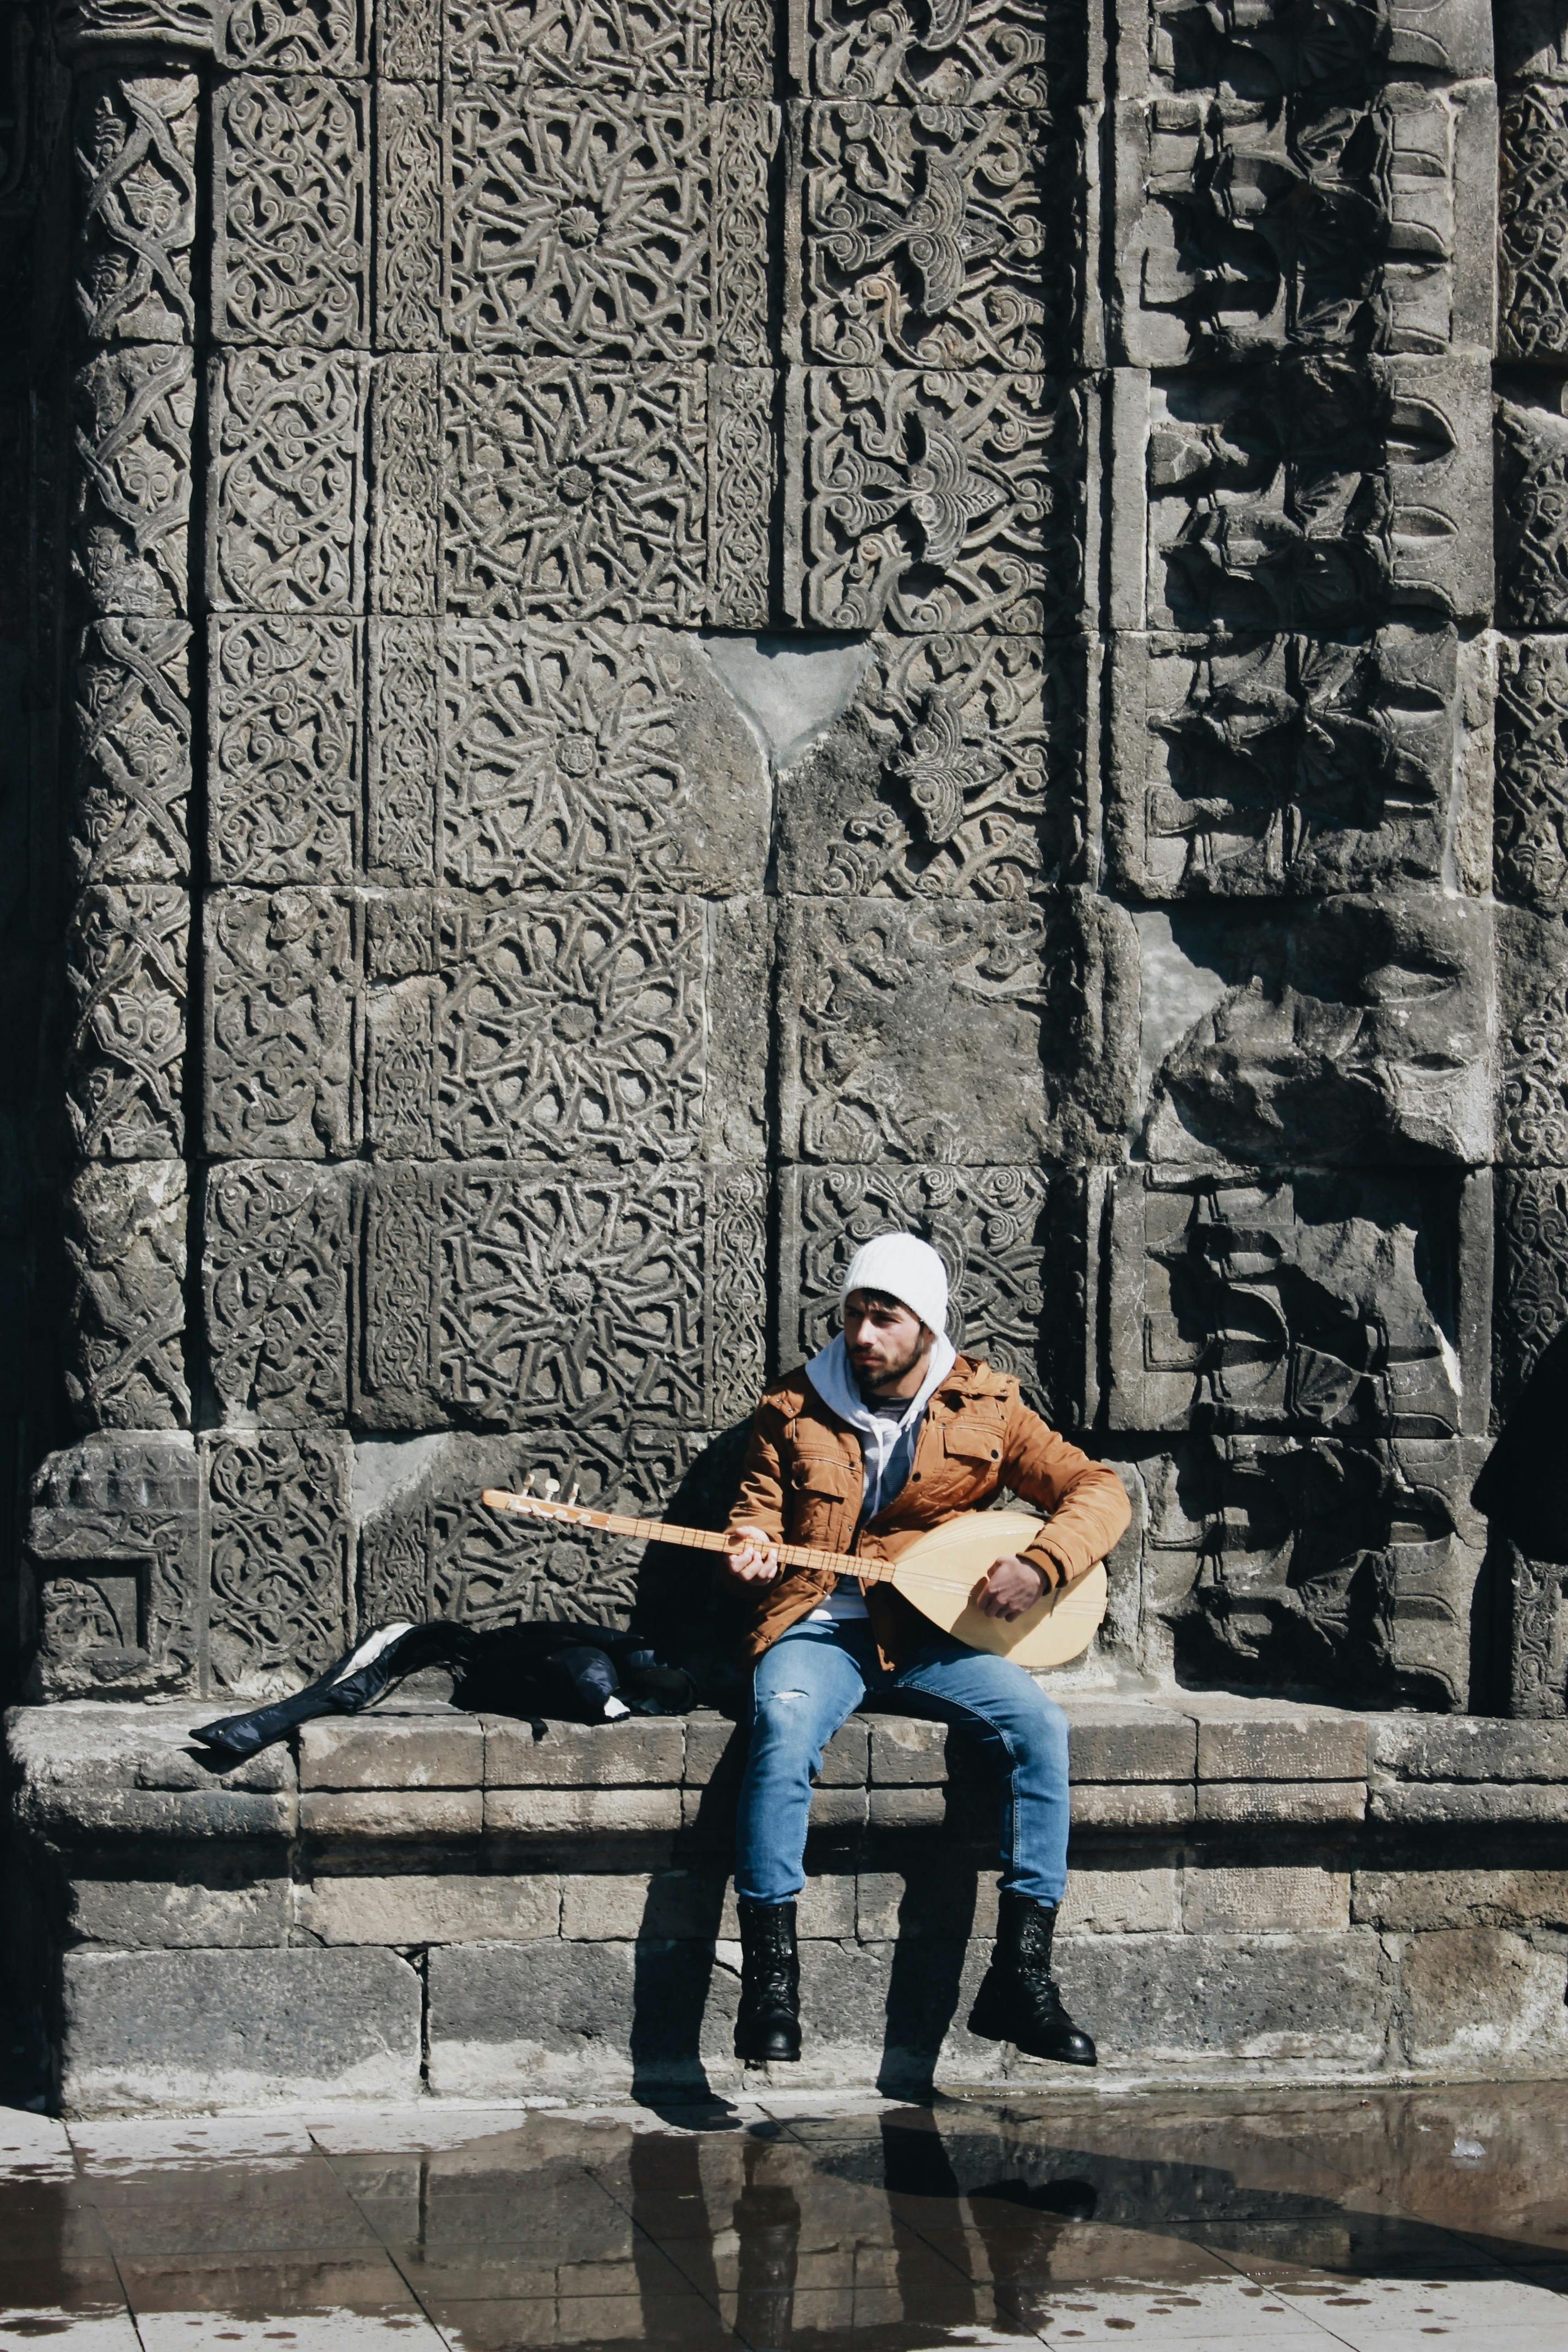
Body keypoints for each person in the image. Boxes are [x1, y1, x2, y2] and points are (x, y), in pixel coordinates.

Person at [723, 1231, 1131, 2070]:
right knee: (785, 1726)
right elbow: (756, 1514)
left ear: (926, 1325)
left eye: (884, 1316)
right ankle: (770, 1980)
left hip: (934, 1632)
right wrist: (752, 1549)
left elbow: (1100, 1489)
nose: (863, 1335)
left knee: (1037, 1728)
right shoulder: (792, 1408)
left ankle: (1021, 1979)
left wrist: (1041, 1563)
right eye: (852, 1315)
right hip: (821, 1624)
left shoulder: (986, 1405)